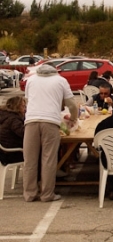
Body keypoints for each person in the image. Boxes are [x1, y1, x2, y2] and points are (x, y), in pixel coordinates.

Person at [23, 64, 78, 202]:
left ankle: (30, 193)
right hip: (50, 121)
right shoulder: (60, 80)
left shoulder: (31, 80)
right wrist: (73, 118)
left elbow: (28, 100)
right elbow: (71, 103)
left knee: (30, 159)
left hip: (31, 120)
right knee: (48, 159)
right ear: (55, 71)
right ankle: (47, 194)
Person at [0, 96, 26, 165]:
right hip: (13, 154)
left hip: (4, 153)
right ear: (17, 107)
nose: (25, 109)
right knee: (39, 152)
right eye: (23, 106)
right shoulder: (13, 120)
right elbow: (24, 133)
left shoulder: (6, 116)